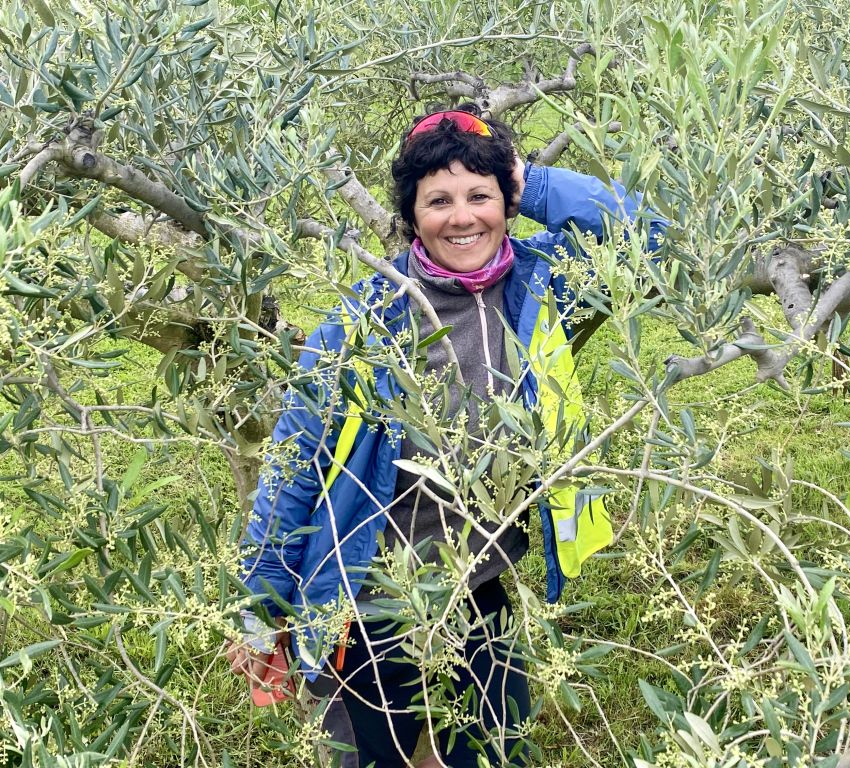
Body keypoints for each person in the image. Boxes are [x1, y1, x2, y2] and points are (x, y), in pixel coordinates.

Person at [226, 107, 664, 767]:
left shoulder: (544, 289)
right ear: (412, 218)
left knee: (490, 753)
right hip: (367, 601)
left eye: (480, 196)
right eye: (439, 201)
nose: (463, 218)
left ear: (507, 202)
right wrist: (260, 613)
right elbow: (291, 472)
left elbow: (650, 240)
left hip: (477, 582)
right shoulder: (358, 330)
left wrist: (529, 180)